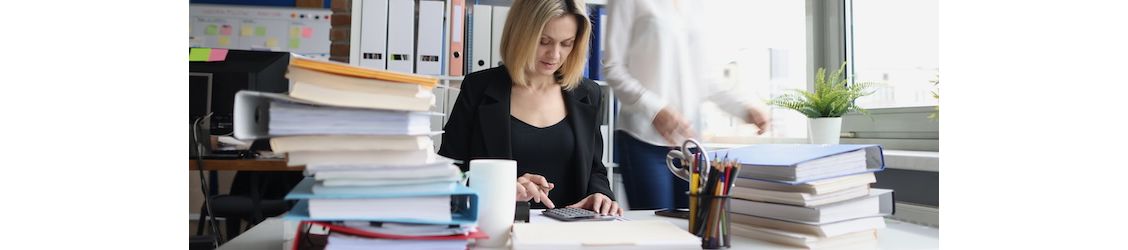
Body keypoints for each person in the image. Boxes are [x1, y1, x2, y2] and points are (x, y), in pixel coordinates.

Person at [439, 0, 623, 216]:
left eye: (566, 43)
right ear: (520, 35)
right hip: (500, 228)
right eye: (544, 41)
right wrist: (500, 187)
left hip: (570, 234)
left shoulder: (588, 93)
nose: (554, 55)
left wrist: (601, 194)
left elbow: (595, 170)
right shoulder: (478, 88)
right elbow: (449, 173)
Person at [603, 0, 772, 210]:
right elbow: (612, 67)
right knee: (658, 233)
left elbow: (704, 78)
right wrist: (655, 109)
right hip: (643, 140)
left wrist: (744, 108)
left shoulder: (697, 5)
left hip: (690, 146)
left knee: (694, 231)